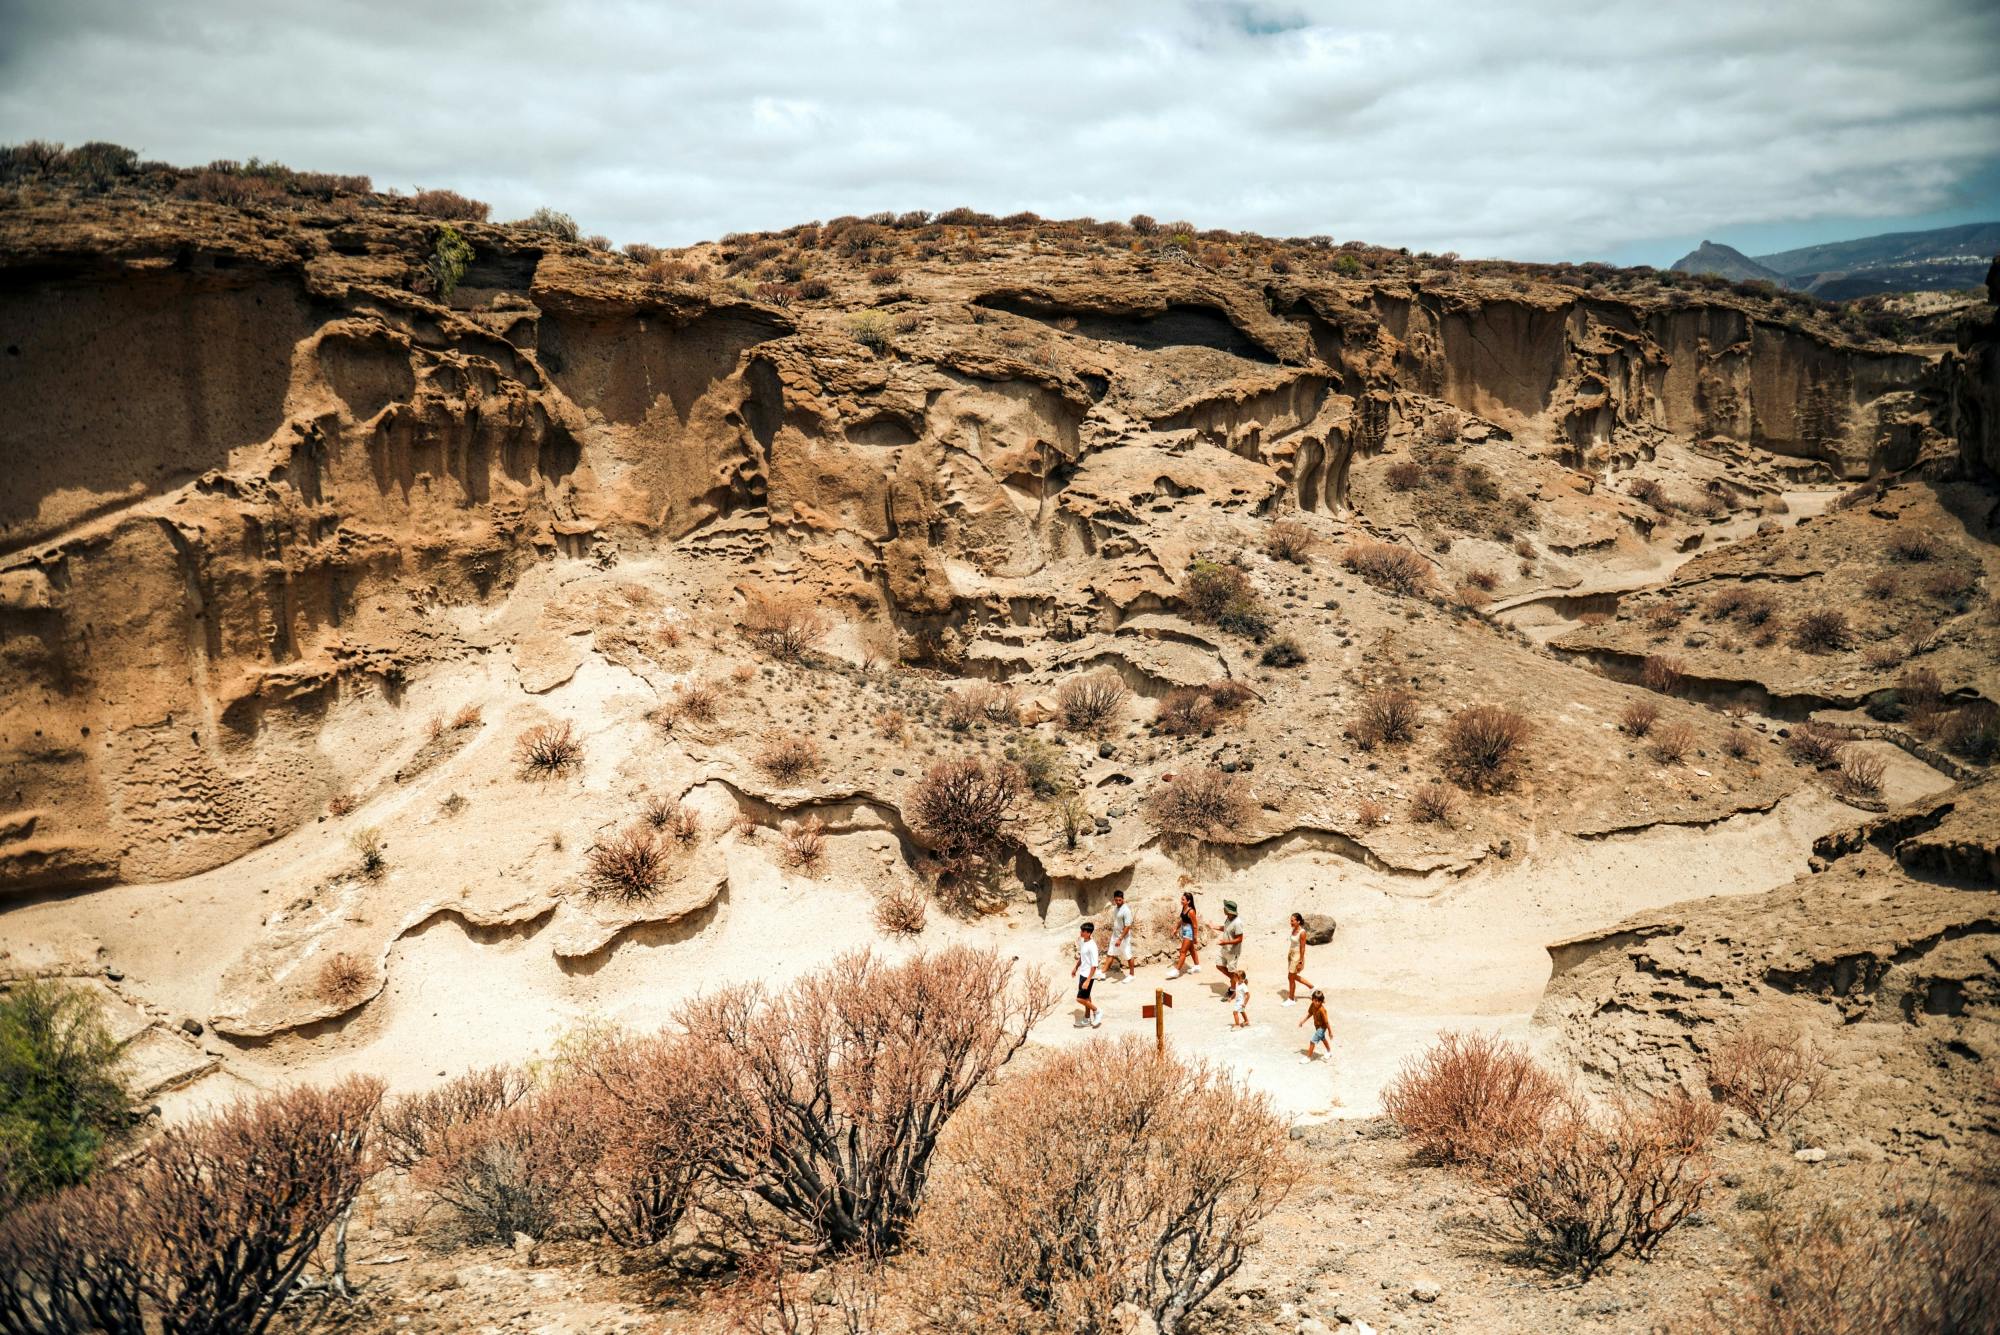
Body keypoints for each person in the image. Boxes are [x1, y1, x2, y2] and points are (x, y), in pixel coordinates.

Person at [1214, 900, 1244, 1000]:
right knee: (1219, 965)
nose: (1223, 909)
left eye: (1225, 908)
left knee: (1232, 971)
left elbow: (1240, 939)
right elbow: (1226, 928)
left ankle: (1232, 990)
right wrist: (1215, 927)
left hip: (1232, 951)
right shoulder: (1228, 918)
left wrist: (1225, 942)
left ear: (1229, 911)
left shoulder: (1238, 923)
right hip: (1224, 949)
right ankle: (1235, 979)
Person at [1074, 921, 1101, 1028]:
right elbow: (1082, 957)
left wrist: (1088, 980)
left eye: (1083, 931)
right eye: (1081, 930)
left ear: (1089, 933)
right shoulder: (1083, 941)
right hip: (1083, 973)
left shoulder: (1092, 946)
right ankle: (1086, 1019)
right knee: (1087, 997)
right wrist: (1075, 968)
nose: (1081, 932)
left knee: (1080, 998)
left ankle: (1097, 1011)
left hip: (1088, 975)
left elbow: (1094, 965)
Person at [1284, 912, 1316, 1005]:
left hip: (1297, 956)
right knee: (1292, 976)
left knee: (1290, 977)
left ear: (1298, 921)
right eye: (1291, 920)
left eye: (1292, 921)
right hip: (1291, 954)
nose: (1291, 922)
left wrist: (1301, 960)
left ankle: (1291, 999)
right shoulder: (1293, 930)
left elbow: (1302, 947)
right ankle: (1311, 987)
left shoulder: (1302, 933)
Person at [1106, 889, 1135, 981]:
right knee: (1110, 953)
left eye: (1120, 900)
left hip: (1123, 938)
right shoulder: (1116, 908)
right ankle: (1103, 973)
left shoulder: (1126, 910)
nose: (1118, 902)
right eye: (1116, 900)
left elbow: (1127, 926)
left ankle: (1131, 975)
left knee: (1128, 955)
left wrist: (1120, 938)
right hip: (1115, 935)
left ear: (1123, 899)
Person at [1172, 891, 1200, 977]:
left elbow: (1195, 925)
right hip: (1184, 931)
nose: (1181, 901)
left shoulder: (1191, 911)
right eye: (1181, 899)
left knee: (1183, 951)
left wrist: (1195, 937)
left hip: (1189, 932)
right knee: (1191, 949)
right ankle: (1197, 966)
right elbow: (1182, 920)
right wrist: (1176, 928)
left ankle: (1176, 971)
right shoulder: (1184, 908)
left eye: (1183, 899)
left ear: (1188, 901)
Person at [1298, 988, 1331, 1062]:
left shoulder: (1322, 1010)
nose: (1316, 1003)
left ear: (1321, 1001)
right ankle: (1329, 1052)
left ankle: (1308, 1058)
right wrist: (1303, 1021)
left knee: (1312, 1041)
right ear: (1312, 999)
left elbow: (1326, 1022)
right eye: (1315, 1000)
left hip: (1322, 1028)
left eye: (1319, 1001)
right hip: (1317, 1026)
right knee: (1323, 1038)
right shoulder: (1312, 1005)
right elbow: (1310, 1013)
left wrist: (1330, 1032)